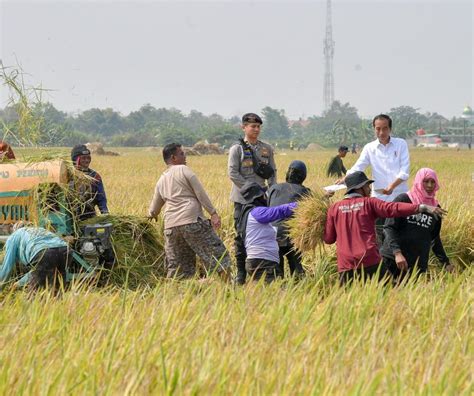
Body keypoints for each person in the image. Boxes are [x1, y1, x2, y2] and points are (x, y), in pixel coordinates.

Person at [324, 171, 446, 285]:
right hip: (369, 260)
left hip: (346, 264)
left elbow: (328, 239)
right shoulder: (369, 203)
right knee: (388, 295)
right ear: (360, 188)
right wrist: (421, 208)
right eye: (367, 186)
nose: (370, 189)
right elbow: (393, 208)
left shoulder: (334, 208)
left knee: (346, 301)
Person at [148, 143, 231, 281]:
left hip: (171, 227)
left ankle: (176, 296)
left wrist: (152, 215)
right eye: (182, 154)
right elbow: (200, 194)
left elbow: (154, 208)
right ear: (174, 157)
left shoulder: (161, 179)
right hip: (192, 221)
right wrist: (213, 213)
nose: (185, 156)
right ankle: (228, 289)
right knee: (220, 257)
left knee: (179, 268)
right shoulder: (184, 170)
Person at [337, 114, 410, 245]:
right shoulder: (369, 148)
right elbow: (359, 167)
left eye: (385, 128)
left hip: (399, 197)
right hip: (379, 201)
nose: (381, 132)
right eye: (378, 129)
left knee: (402, 236)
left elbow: (404, 172)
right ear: (374, 129)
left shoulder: (401, 144)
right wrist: (345, 178)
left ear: (390, 129)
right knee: (380, 237)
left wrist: (392, 187)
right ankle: (383, 264)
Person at [228, 113, 277, 284]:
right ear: (244, 127)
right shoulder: (237, 149)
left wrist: (272, 192)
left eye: (258, 127)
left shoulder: (266, 149)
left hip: (261, 201)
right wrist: (251, 189)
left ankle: (261, 271)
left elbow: (272, 173)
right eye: (252, 126)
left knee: (262, 234)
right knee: (241, 236)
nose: (256, 129)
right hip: (242, 200)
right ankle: (241, 273)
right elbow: (232, 173)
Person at [380, 168, 454, 281]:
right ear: (419, 181)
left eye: (433, 181)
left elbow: (434, 238)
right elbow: (389, 227)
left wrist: (445, 262)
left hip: (416, 265)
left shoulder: (435, 208)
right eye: (426, 181)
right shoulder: (403, 199)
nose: (430, 185)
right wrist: (397, 253)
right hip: (394, 260)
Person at [236, 182, 296, 283]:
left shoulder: (245, 215)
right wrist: (302, 205)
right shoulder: (257, 212)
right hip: (264, 263)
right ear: (258, 197)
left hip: (257, 261)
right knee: (277, 295)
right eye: (264, 195)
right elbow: (280, 211)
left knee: (265, 295)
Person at [268, 160, 310, 278]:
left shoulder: (273, 188)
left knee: (276, 272)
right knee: (296, 267)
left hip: (272, 235)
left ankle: (278, 292)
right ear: (303, 176)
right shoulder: (304, 191)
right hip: (292, 235)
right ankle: (299, 290)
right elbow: (312, 211)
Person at [0, 222, 71, 291]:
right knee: (56, 290)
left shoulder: (15, 235)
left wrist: (1, 287)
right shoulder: (39, 230)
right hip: (66, 250)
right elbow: (36, 271)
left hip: (44, 252)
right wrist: (19, 283)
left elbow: (7, 267)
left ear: (14, 230)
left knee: (35, 294)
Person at [70, 144, 109, 220]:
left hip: (89, 217)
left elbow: (101, 198)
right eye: (83, 158)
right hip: (70, 218)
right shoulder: (68, 175)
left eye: (88, 158)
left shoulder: (95, 176)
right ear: (76, 160)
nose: (87, 160)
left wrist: (105, 214)